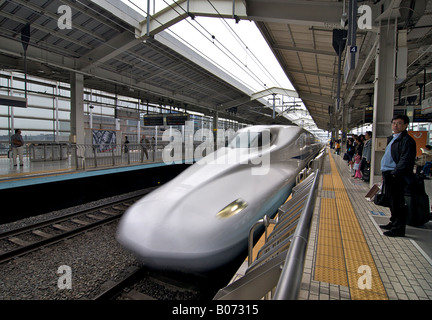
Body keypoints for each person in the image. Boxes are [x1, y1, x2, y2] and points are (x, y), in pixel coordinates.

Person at [379, 115, 417, 237]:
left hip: (396, 175)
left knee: (397, 202)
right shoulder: (393, 138)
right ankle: (393, 222)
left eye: (399, 123)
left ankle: (398, 229)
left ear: (406, 125)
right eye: (394, 123)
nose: (395, 125)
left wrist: (396, 173)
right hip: (388, 173)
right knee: (391, 201)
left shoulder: (407, 141)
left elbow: (405, 159)